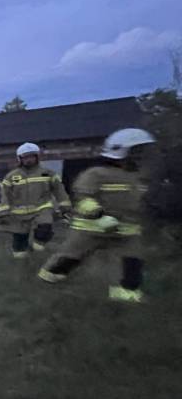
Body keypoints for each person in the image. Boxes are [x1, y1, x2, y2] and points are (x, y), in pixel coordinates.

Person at [38, 128, 155, 302]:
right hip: (91, 228)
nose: (140, 156)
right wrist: (98, 215)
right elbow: (83, 197)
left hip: (126, 231)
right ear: (120, 151)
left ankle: (126, 295)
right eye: (136, 151)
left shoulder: (138, 177)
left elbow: (143, 201)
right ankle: (47, 281)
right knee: (69, 258)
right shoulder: (96, 174)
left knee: (131, 263)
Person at [0, 142, 71, 258]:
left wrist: (64, 206)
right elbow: (4, 194)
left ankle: (38, 246)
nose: (29, 160)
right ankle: (21, 260)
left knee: (45, 227)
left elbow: (59, 190)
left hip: (42, 209)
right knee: (19, 243)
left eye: (31, 157)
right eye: (25, 157)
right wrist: (3, 211)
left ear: (37, 157)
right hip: (18, 213)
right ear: (20, 159)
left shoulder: (47, 173)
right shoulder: (11, 176)